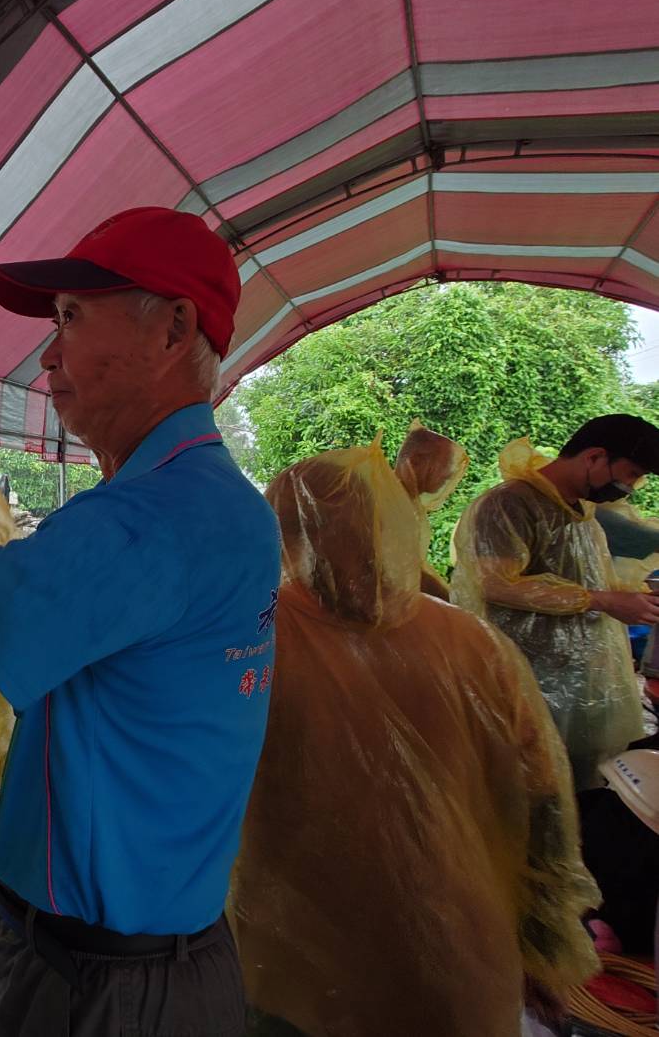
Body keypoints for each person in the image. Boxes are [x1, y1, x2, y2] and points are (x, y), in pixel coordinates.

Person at [0, 206, 281, 1035]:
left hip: (100, 991)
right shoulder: (218, 501)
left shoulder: (149, 519)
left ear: (172, 330)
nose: (48, 354)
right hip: (157, 964)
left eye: (70, 317)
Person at [232, 442, 598, 1037]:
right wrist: (543, 943)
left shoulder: (254, 638)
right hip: (451, 943)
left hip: (299, 960)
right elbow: (545, 803)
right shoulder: (472, 642)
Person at [451, 416, 659, 790]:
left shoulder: (583, 515)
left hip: (580, 683)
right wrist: (602, 600)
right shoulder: (508, 505)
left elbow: (590, 581)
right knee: (529, 788)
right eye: (630, 474)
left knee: (581, 787)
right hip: (529, 681)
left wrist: (632, 598)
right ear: (595, 457)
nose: (629, 488)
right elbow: (496, 585)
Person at [392, 420, 468, 599]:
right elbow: (408, 574)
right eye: (445, 471)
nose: (447, 481)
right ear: (416, 462)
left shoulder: (407, 505)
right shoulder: (390, 503)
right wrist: (453, 603)